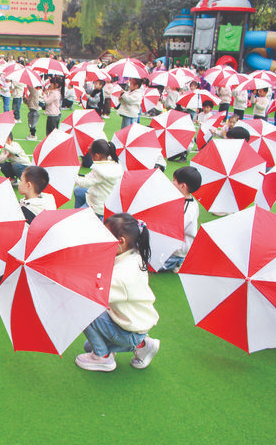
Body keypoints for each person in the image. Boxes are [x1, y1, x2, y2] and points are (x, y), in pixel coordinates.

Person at [75, 213, 159, 372]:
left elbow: (94, 294)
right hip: (134, 324)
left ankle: (102, 358)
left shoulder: (123, 274)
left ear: (121, 241)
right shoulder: (132, 255)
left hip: (129, 331)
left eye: (106, 236)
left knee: (82, 306)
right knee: (89, 345)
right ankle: (142, 345)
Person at [161, 167, 201, 272]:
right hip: (171, 241)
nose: (171, 182)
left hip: (177, 250)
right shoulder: (179, 199)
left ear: (183, 186)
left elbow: (173, 230)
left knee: (145, 263)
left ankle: (177, 262)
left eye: (174, 180)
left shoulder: (188, 209)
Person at [73, 139, 123, 219]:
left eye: (91, 156)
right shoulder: (114, 162)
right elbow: (90, 178)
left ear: (97, 155)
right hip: (105, 196)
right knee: (78, 191)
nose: (91, 158)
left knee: (76, 218)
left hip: (98, 207)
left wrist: (72, 175)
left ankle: (82, 216)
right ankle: (78, 211)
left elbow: (83, 183)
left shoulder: (100, 171)